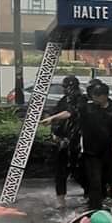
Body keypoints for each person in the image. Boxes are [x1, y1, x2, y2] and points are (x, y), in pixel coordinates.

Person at [40, 75, 86, 208]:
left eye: (69, 87)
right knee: (60, 172)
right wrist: (54, 132)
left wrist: (53, 118)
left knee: (78, 171)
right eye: (66, 87)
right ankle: (61, 200)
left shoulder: (81, 100)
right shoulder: (63, 100)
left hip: (78, 142)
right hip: (62, 142)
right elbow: (57, 116)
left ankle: (90, 195)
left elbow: (70, 113)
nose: (67, 90)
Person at [79, 80, 112, 210]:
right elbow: (70, 112)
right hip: (91, 152)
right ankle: (94, 209)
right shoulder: (87, 108)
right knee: (95, 182)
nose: (93, 98)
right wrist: (53, 118)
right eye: (92, 95)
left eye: (95, 96)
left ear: (104, 96)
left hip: (108, 151)